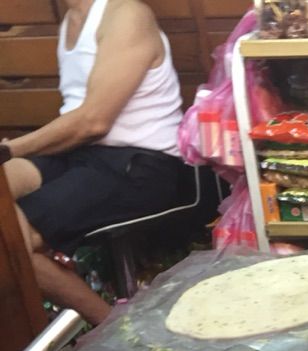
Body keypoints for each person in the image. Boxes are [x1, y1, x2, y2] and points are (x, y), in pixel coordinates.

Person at [0, 0, 185, 326]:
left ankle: (115, 331)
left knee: (9, 240)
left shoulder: (125, 15)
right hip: (81, 153)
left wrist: (9, 150)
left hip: (142, 163)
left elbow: (94, 122)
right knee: (7, 221)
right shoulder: (71, 20)